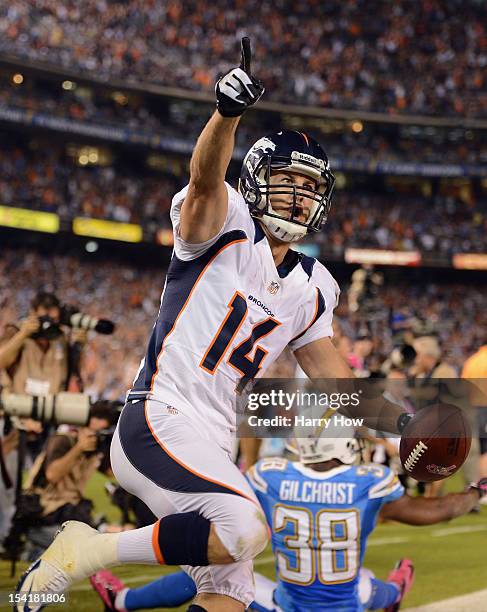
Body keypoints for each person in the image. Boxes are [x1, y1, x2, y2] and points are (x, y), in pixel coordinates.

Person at [16, 38, 413, 612]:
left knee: (227, 595)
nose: (300, 198)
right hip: (160, 414)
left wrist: (402, 426)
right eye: (290, 182)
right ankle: (92, 547)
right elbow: (204, 178)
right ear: (254, 179)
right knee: (246, 527)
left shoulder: (315, 286)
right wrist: (226, 116)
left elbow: (337, 384)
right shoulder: (223, 220)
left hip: (215, 437)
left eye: (311, 189)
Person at [89, 421, 486, 612]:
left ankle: (123, 601)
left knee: (213, 577)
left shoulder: (270, 477)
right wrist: (475, 493)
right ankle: (395, 593)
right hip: (342, 604)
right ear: (347, 449)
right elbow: (433, 509)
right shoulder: (369, 482)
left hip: (286, 605)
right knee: (368, 585)